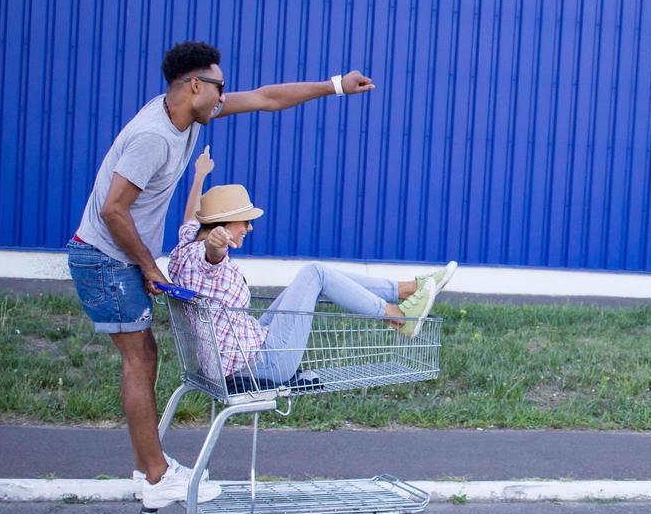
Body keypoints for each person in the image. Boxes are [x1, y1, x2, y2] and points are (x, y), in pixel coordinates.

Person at [68, 40, 376, 508]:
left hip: (116, 256)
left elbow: (267, 98)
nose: (224, 97)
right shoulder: (154, 135)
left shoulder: (185, 115)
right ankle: (154, 476)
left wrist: (334, 86)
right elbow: (113, 209)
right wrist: (150, 266)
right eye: (219, 88)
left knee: (144, 357)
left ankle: (153, 471)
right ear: (195, 84)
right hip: (104, 256)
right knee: (140, 359)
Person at [167, 146, 455, 390]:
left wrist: (199, 176)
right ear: (222, 224)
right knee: (315, 273)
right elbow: (211, 257)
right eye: (245, 220)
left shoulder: (185, 246)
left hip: (248, 348)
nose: (249, 227)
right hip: (264, 364)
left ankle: (407, 290)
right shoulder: (204, 257)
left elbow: (193, 217)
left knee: (315, 280)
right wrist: (216, 245)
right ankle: (400, 313)